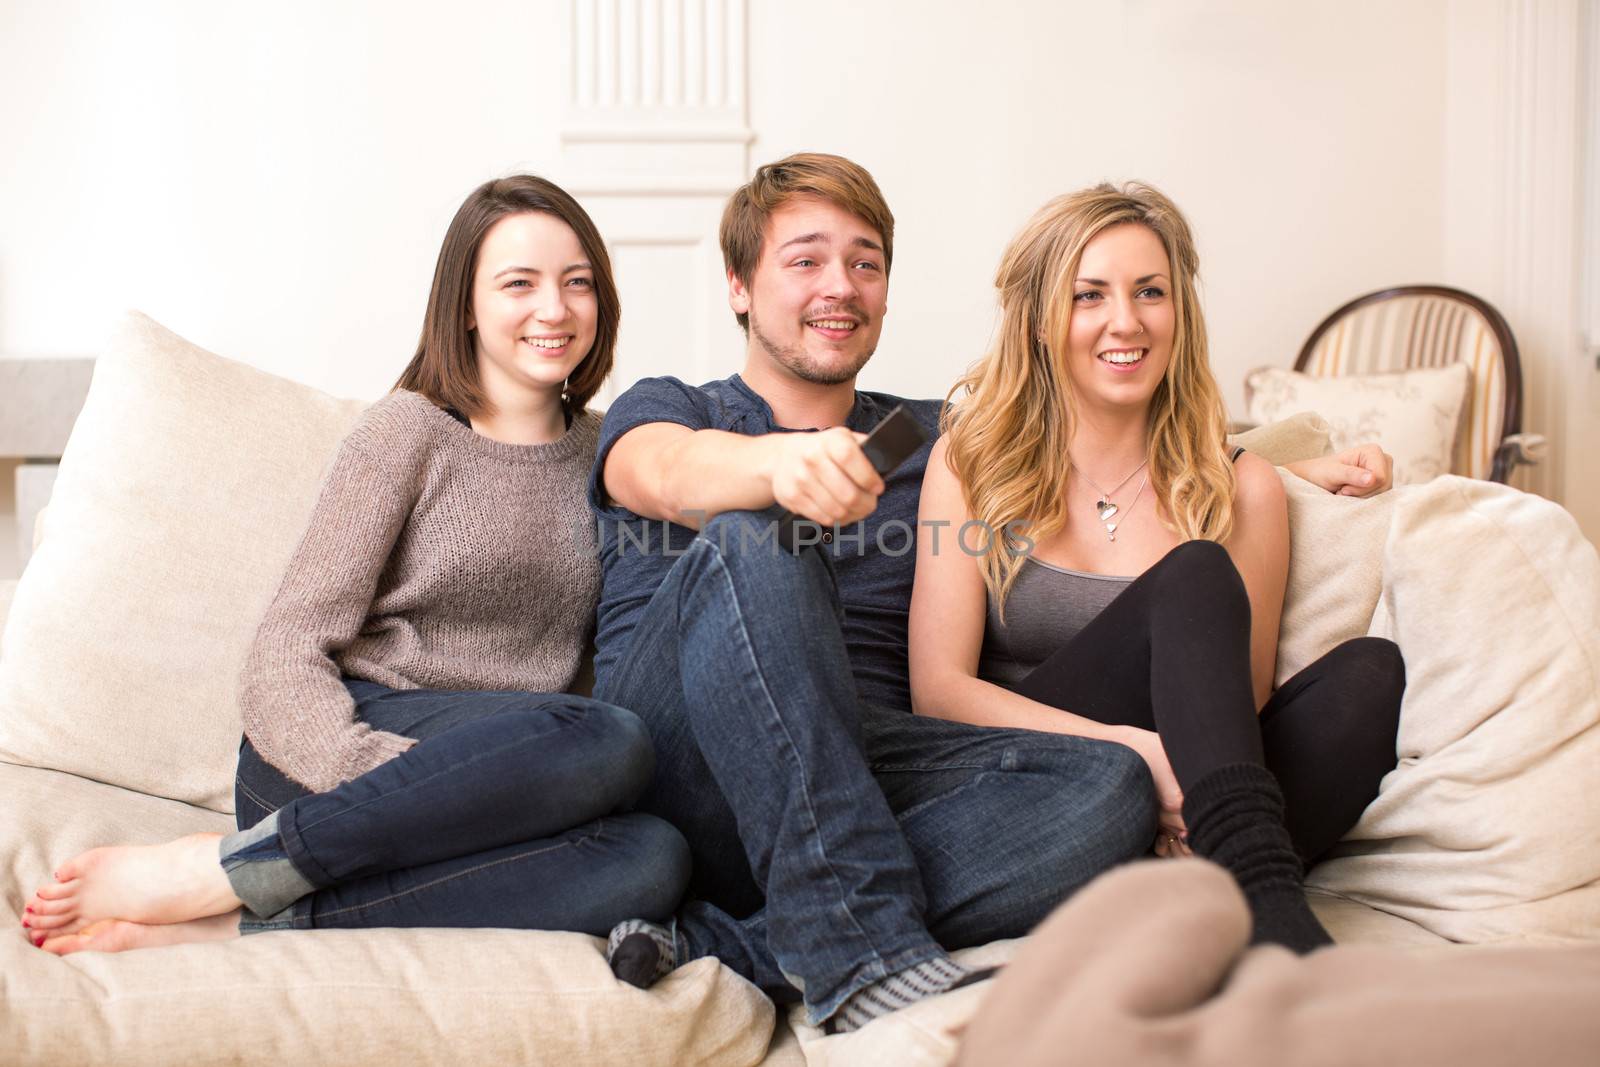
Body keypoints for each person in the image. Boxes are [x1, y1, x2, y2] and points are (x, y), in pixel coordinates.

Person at [583, 153, 1386, 1032]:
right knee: (756, 538)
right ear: (738, 285)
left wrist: (1288, 468)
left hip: (862, 769)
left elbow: (1089, 426)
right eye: (806, 260)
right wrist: (776, 464)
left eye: (864, 263)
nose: (840, 286)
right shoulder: (675, 407)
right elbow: (661, 472)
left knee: (1110, 788)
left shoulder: (918, 437)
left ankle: (733, 940)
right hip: (686, 753)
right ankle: (863, 956)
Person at [21, 175, 690, 955]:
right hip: (331, 753)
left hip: (507, 773)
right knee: (610, 737)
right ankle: (232, 865)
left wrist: (477, 795)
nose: (555, 308)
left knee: (652, 857)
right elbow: (283, 654)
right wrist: (399, 784)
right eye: (520, 283)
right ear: (466, 305)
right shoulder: (407, 432)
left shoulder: (612, 455)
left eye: (578, 283)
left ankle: (240, 915)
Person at [908, 182, 1405, 953]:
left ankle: (1209, 881)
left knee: (1371, 675)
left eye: (1150, 292)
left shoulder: (1244, 486)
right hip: (1039, 789)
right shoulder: (970, 464)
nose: (1126, 321)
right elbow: (938, 691)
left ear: (1180, 313)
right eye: (1089, 295)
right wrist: (1137, 751)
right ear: (1042, 321)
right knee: (1196, 572)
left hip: (1193, 806)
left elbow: (1231, 712)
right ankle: (1268, 910)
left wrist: (1191, 785)